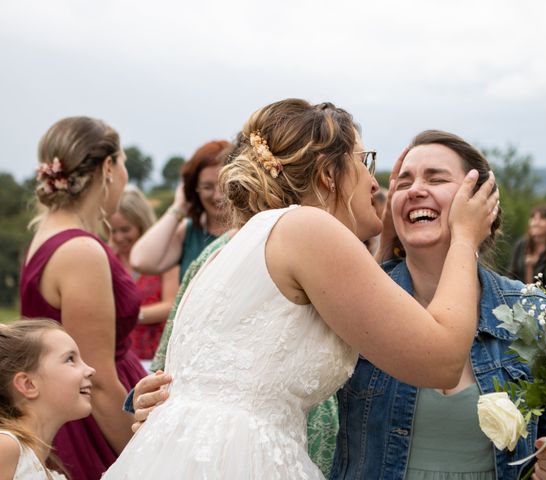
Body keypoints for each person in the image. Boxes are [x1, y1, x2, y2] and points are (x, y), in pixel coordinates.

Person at [103, 98, 498, 479]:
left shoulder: (236, 246)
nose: (375, 183)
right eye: (365, 161)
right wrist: (465, 236)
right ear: (329, 174)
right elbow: (442, 360)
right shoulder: (308, 228)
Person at [331, 131, 546, 480]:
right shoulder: (357, 300)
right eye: (403, 182)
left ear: (484, 201)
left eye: (436, 178)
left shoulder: (531, 311)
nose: (416, 189)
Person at [19, 117, 146, 480]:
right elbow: (100, 378)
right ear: (108, 167)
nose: (123, 175)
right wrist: (144, 455)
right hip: (95, 423)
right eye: (122, 164)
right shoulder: (80, 251)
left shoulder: (45, 233)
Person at [0, 319, 95, 480]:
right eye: (70, 359)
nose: (90, 370)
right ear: (28, 384)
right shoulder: (6, 447)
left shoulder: (45, 468)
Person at [130, 140, 231, 281]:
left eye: (224, 185)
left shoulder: (251, 229)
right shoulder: (188, 233)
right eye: (207, 187)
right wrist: (179, 206)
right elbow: (140, 261)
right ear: (195, 190)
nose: (218, 196)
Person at [109, 185, 179, 370]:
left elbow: (171, 304)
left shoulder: (160, 255)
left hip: (157, 357)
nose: (118, 237)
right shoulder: (108, 259)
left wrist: (130, 315)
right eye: (113, 231)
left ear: (141, 225)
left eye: (125, 230)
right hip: (120, 357)